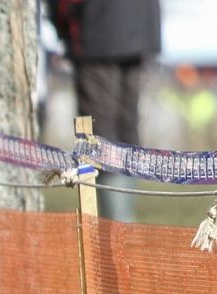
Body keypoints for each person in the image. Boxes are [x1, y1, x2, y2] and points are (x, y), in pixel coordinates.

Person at [48, 0, 161, 222]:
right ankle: (124, 224)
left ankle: (119, 226)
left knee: (102, 135)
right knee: (126, 127)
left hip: (96, 29)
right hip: (138, 26)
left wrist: (63, 23)